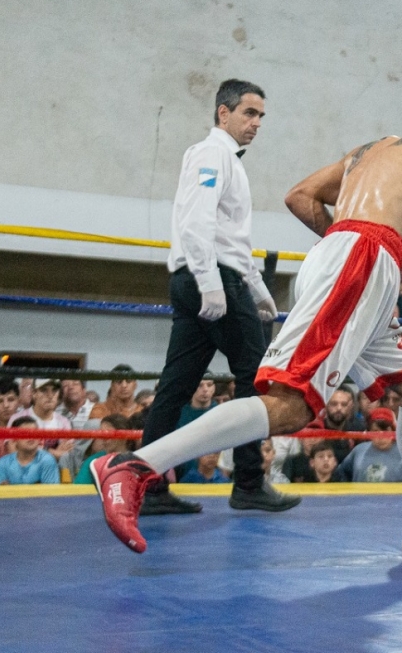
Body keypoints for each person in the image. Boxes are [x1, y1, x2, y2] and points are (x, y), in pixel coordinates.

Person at [91, 96, 402, 557]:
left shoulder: (369, 150)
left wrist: (348, 244)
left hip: (353, 256)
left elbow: (300, 197)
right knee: (291, 407)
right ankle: (135, 467)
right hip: (362, 257)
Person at [134, 79, 299, 517]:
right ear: (223, 113)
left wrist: (258, 289)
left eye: (261, 115)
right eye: (249, 112)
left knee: (176, 385)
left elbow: (229, 237)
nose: (257, 122)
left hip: (209, 276)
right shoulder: (211, 154)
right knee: (257, 375)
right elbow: (196, 223)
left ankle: (145, 486)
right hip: (209, 277)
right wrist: (210, 281)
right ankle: (248, 482)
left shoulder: (225, 160)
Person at [0, 417, 60, 485]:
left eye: (34, 433)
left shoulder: (47, 460)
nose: (31, 438)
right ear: (14, 438)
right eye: (25, 433)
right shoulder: (3, 463)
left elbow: (50, 494)